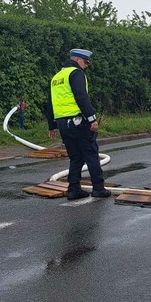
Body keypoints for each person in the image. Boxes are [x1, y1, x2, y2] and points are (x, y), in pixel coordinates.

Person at [44, 49, 111, 200]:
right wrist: (92, 118)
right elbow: (81, 96)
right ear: (78, 60)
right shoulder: (76, 73)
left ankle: (74, 189)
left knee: (75, 157)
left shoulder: (57, 77)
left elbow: (50, 102)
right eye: (86, 62)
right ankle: (98, 188)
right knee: (91, 154)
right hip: (78, 122)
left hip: (62, 124)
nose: (86, 66)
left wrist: (51, 125)